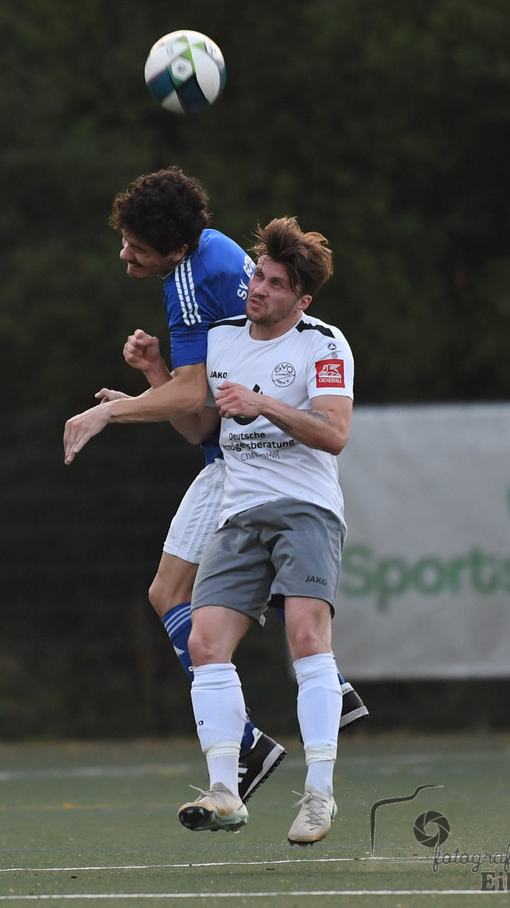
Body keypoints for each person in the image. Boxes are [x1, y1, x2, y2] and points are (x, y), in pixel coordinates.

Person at [63, 169, 367, 802]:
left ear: (173, 249)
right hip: (227, 452)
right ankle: (275, 723)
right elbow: (199, 399)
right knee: (176, 596)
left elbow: (200, 393)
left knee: (172, 591)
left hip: (242, 465)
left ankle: (262, 738)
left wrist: (108, 412)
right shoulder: (207, 260)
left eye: (136, 248)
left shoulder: (196, 274)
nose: (125, 257)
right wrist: (153, 376)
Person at [174, 216, 352, 845]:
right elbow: (201, 430)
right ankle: (225, 791)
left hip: (304, 506)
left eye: (276, 284)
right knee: (203, 643)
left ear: (300, 300)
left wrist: (263, 402)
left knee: (306, 634)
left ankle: (319, 795)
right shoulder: (221, 338)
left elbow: (334, 434)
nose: (259, 289)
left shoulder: (324, 344)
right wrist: (147, 379)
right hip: (239, 512)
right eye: (258, 275)